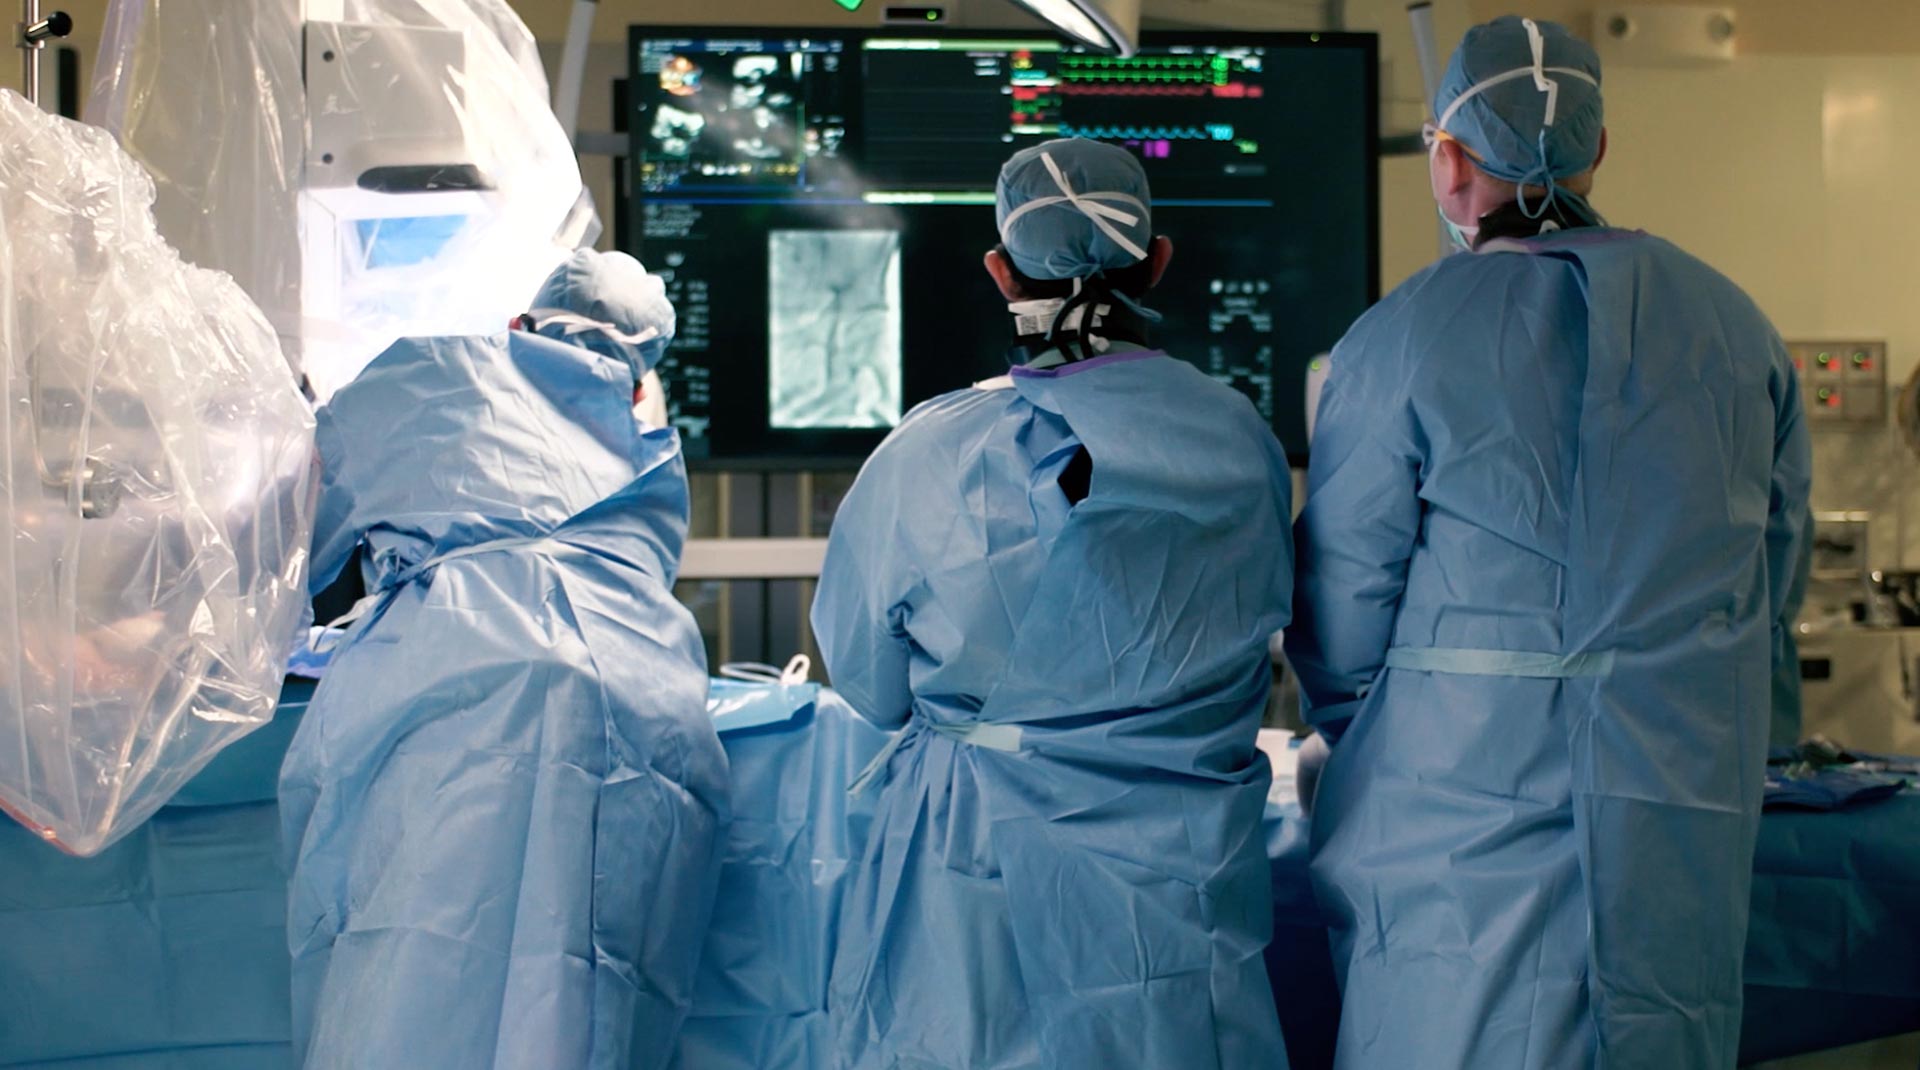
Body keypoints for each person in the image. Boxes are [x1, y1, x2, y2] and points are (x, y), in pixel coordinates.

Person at [1288, 17, 1812, 1070]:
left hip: (1459, 823)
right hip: (1676, 807)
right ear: (1597, 148)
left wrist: (1378, 737)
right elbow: (1772, 581)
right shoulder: (1737, 327)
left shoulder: (1399, 339)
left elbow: (1341, 624)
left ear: (1448, 162)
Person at [812, 137, 1295, 1070]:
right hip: (1177, 878)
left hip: (981, 873)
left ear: (1001, 272)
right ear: (1157, 262)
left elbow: (868, 686)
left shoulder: (927, 454)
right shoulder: (1240, 440)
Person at [279, 250, 727, 1070]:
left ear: (518, 325)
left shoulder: (424, 374)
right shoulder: (648, 456)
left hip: (467, 685)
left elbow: (282, 559)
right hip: (642, 712)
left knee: (415, 977)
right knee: (581, 992)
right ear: (639, 383)